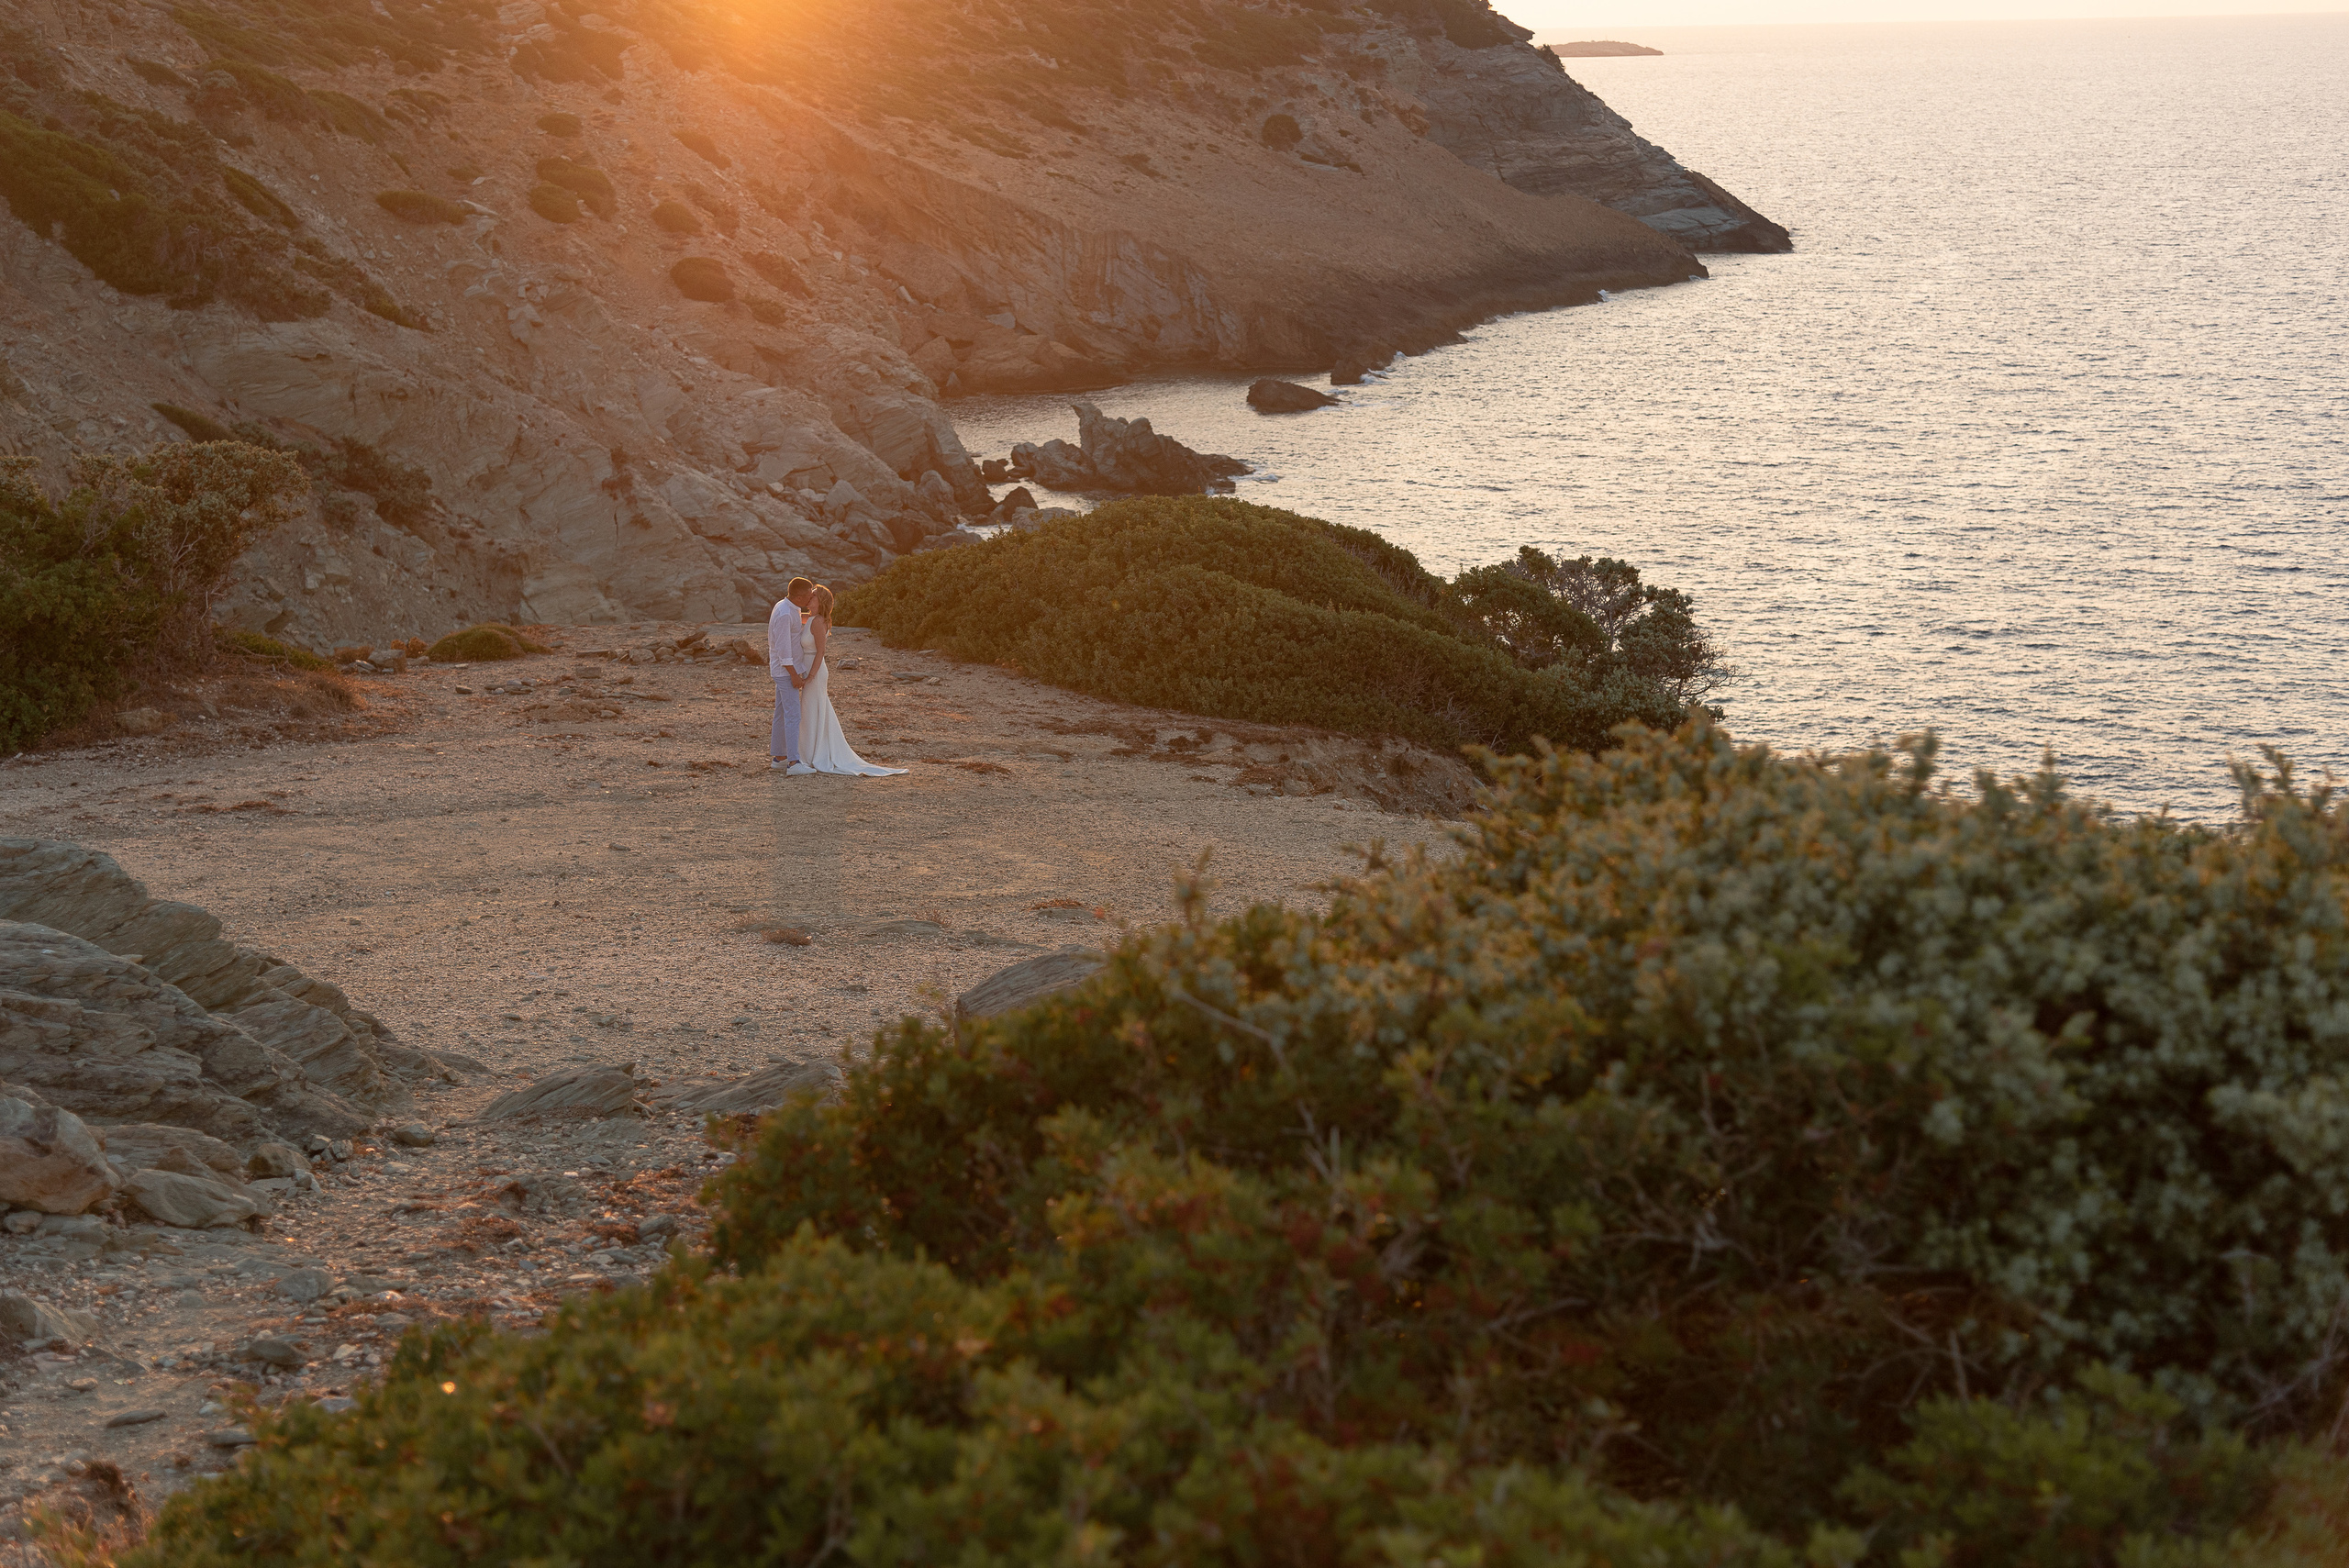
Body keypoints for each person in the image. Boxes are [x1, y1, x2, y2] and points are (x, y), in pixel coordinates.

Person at [796, 585, 907, 777]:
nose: (809, 598)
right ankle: (809, 751)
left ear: (820, 601)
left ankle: (813, 754)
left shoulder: (818, 622)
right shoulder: (811, 619)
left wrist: (810, 676)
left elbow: (821, 652)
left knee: (812, 708)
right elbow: (793, 620)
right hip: (809, 668)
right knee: (811, 709)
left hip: (815, 670)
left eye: (813, 596)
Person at [767, 577, 816, 774]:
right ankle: (794, 763)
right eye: (809, 595)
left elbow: (796, 626)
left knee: (781, 713)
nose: (811, 598)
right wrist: (794, 675)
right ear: (799, 596)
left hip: (785, 670)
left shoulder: (790, 607)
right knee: (793, 715)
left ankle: (780, 757)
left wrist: (815, 619)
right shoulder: (785, 613)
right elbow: (783, 651)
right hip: (786, 671)